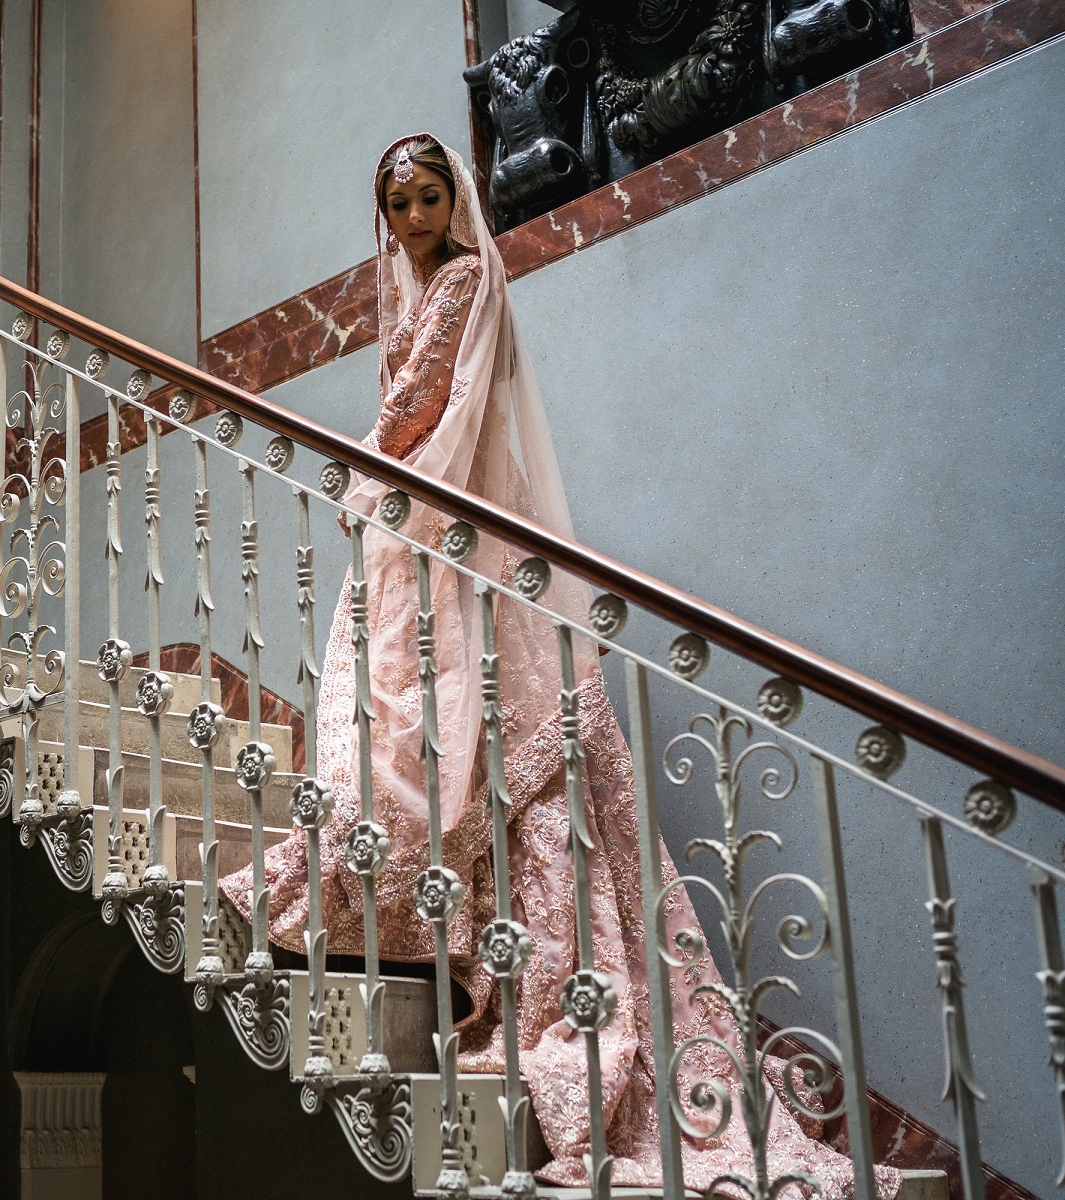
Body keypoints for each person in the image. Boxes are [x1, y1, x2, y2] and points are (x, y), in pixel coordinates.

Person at [222, 134, 896, 1198]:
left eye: (429, 197)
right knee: (423, 703)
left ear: (458, 200)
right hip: (423, 518)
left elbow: (421, 409)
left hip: (439, 516)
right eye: (396, 202)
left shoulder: (463, 279)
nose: (411, 218)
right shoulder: (419, 279)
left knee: (461, 706)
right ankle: (409, 888)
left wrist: (372, 471)